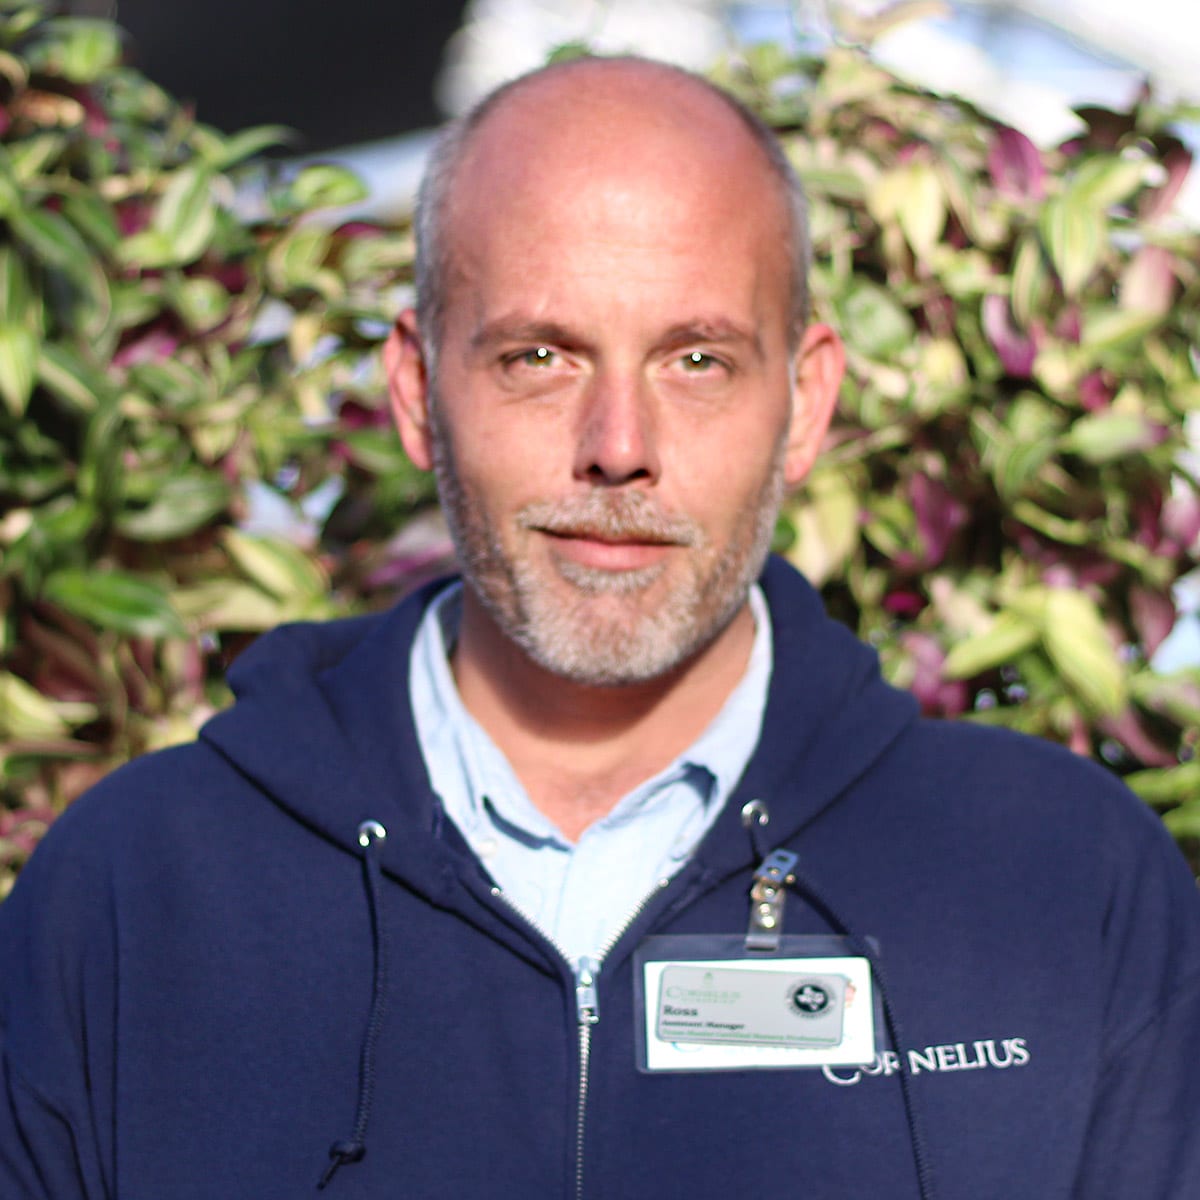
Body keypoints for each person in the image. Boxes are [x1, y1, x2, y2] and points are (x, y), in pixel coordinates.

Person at [1, 55, 1198, 1200]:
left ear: (804, 402)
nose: (618, 444)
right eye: (538, 355)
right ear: (419, 395)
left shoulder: (1064, 884)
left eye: (696, 359)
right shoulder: (129, 899)